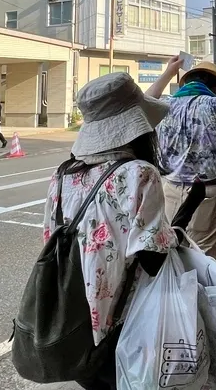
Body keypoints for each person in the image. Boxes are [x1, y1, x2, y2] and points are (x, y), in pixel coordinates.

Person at [42, 72, 175, 390]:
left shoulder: (62, 175)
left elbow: (50, 239)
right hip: (126, 324)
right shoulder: (139, 173)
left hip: (75, 322)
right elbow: (153, 258)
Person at [147, 56, 216, 265]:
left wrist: (168, 73)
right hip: (208, 196)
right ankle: (203, 299)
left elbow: (145, 104)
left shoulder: (165, 105)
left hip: (171, 192)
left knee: (176, 257)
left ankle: (184, 297)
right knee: (208, 263)